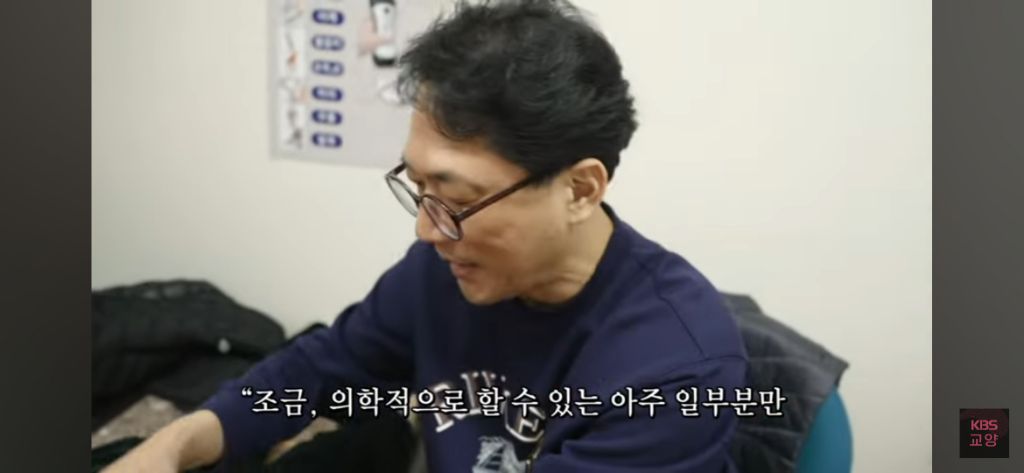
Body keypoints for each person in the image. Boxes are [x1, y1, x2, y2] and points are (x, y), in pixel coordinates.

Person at [103, 0, 747, 471]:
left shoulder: (677, 371)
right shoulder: (440, 270)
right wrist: (174, 445)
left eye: (459, 200)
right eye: (419, 188)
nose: (426, 230)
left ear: (579, 189)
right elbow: (320, 370)